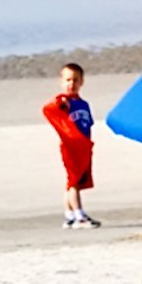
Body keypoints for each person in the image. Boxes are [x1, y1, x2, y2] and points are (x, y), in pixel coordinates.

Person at [43, 62, 100, 226]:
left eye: (75, 80)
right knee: (73, 182)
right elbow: (52, 107)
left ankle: (69, 216)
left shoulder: (83, 104)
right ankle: (79, 215)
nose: (71, 84)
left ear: (81, 82)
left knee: (75, 182)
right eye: (68, 80)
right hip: (69, 147)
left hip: (83, 147)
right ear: (61, 81)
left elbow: (88, 125)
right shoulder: (63, 101)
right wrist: (61, 105)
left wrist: (88, 145)